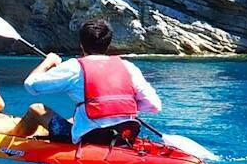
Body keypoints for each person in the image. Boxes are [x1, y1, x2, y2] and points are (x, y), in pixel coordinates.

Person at [10, 18, 162, 147]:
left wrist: (48, 62)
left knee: (36, 109)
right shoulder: (128, 67)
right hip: (124, 136)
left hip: (90, 138)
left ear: (82, 45)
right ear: (108, 44)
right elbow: (154, 106)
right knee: (74, 117)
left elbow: (31, 85)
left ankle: (9, 141)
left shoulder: (74, 67)